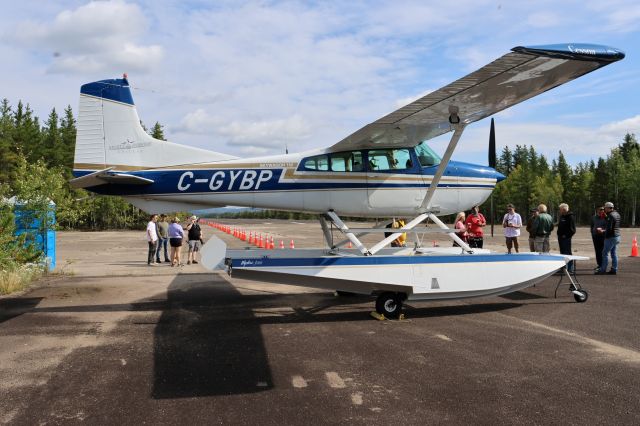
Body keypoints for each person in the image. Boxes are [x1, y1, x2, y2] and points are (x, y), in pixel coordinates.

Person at [598, 201, 621, 275]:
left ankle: (603, 270)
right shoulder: (617, 214)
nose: (604, 209)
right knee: (614, 253)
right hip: (617, 236)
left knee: (604, 253)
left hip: (611, 237)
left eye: (605, 208)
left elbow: (609, 228)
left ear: (608, 208)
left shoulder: (610, 215)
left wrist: (602, 231)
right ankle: (614, 269)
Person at [557, 203, 576, 272]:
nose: (559, 211)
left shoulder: (570, 217)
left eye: (560, 209)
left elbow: (573, 230)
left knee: (567, 252)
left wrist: (566, 236)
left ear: (564, 209)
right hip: (560, 238)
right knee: (562, 253)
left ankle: (570, 268)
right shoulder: (562, 216)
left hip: (566, 238)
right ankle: (563, 268)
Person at [590, 207, 607, 272]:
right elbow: (592, 226)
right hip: (595, 236)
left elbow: (609, 227)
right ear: (597, 210)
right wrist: (592, 233)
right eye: (600, 209)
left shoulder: (606, 217)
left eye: (603, 210)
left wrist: (603, 231)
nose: (601, 211)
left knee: (603, 251)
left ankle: (603, 266)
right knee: (597, 251)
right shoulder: (594, 217)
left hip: (603, 236)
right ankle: (599, 264)